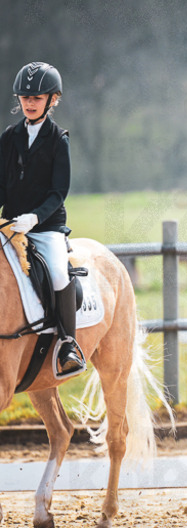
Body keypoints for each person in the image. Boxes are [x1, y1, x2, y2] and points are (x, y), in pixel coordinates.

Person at [0, 62, 86, 378]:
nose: (29, 102)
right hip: (10, 226)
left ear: (52, 100)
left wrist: (35, 218)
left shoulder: (57, 139)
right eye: (25, 97)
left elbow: (59, 191)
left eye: (37, 98)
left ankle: (67, 344)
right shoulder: (9, 138)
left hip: (46, 226)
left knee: (57, 273)